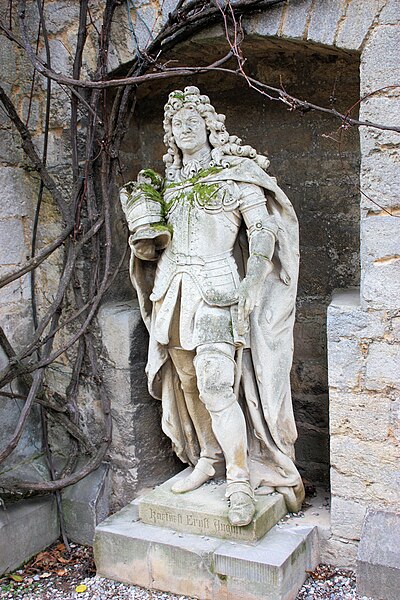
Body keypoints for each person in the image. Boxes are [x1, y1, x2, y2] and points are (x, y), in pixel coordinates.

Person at [120, 86, 305, 527]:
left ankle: (239, 477)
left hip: (219, 288)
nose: (183, 130)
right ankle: (208, 459)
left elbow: (263, 231)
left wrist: (252, 282)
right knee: (186, 381)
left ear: (208, 125)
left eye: (190, 121)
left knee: (217, 385)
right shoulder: (167, 184)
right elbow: (154, 244)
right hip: (172, 291)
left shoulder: (235, 173)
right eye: (175, 125)